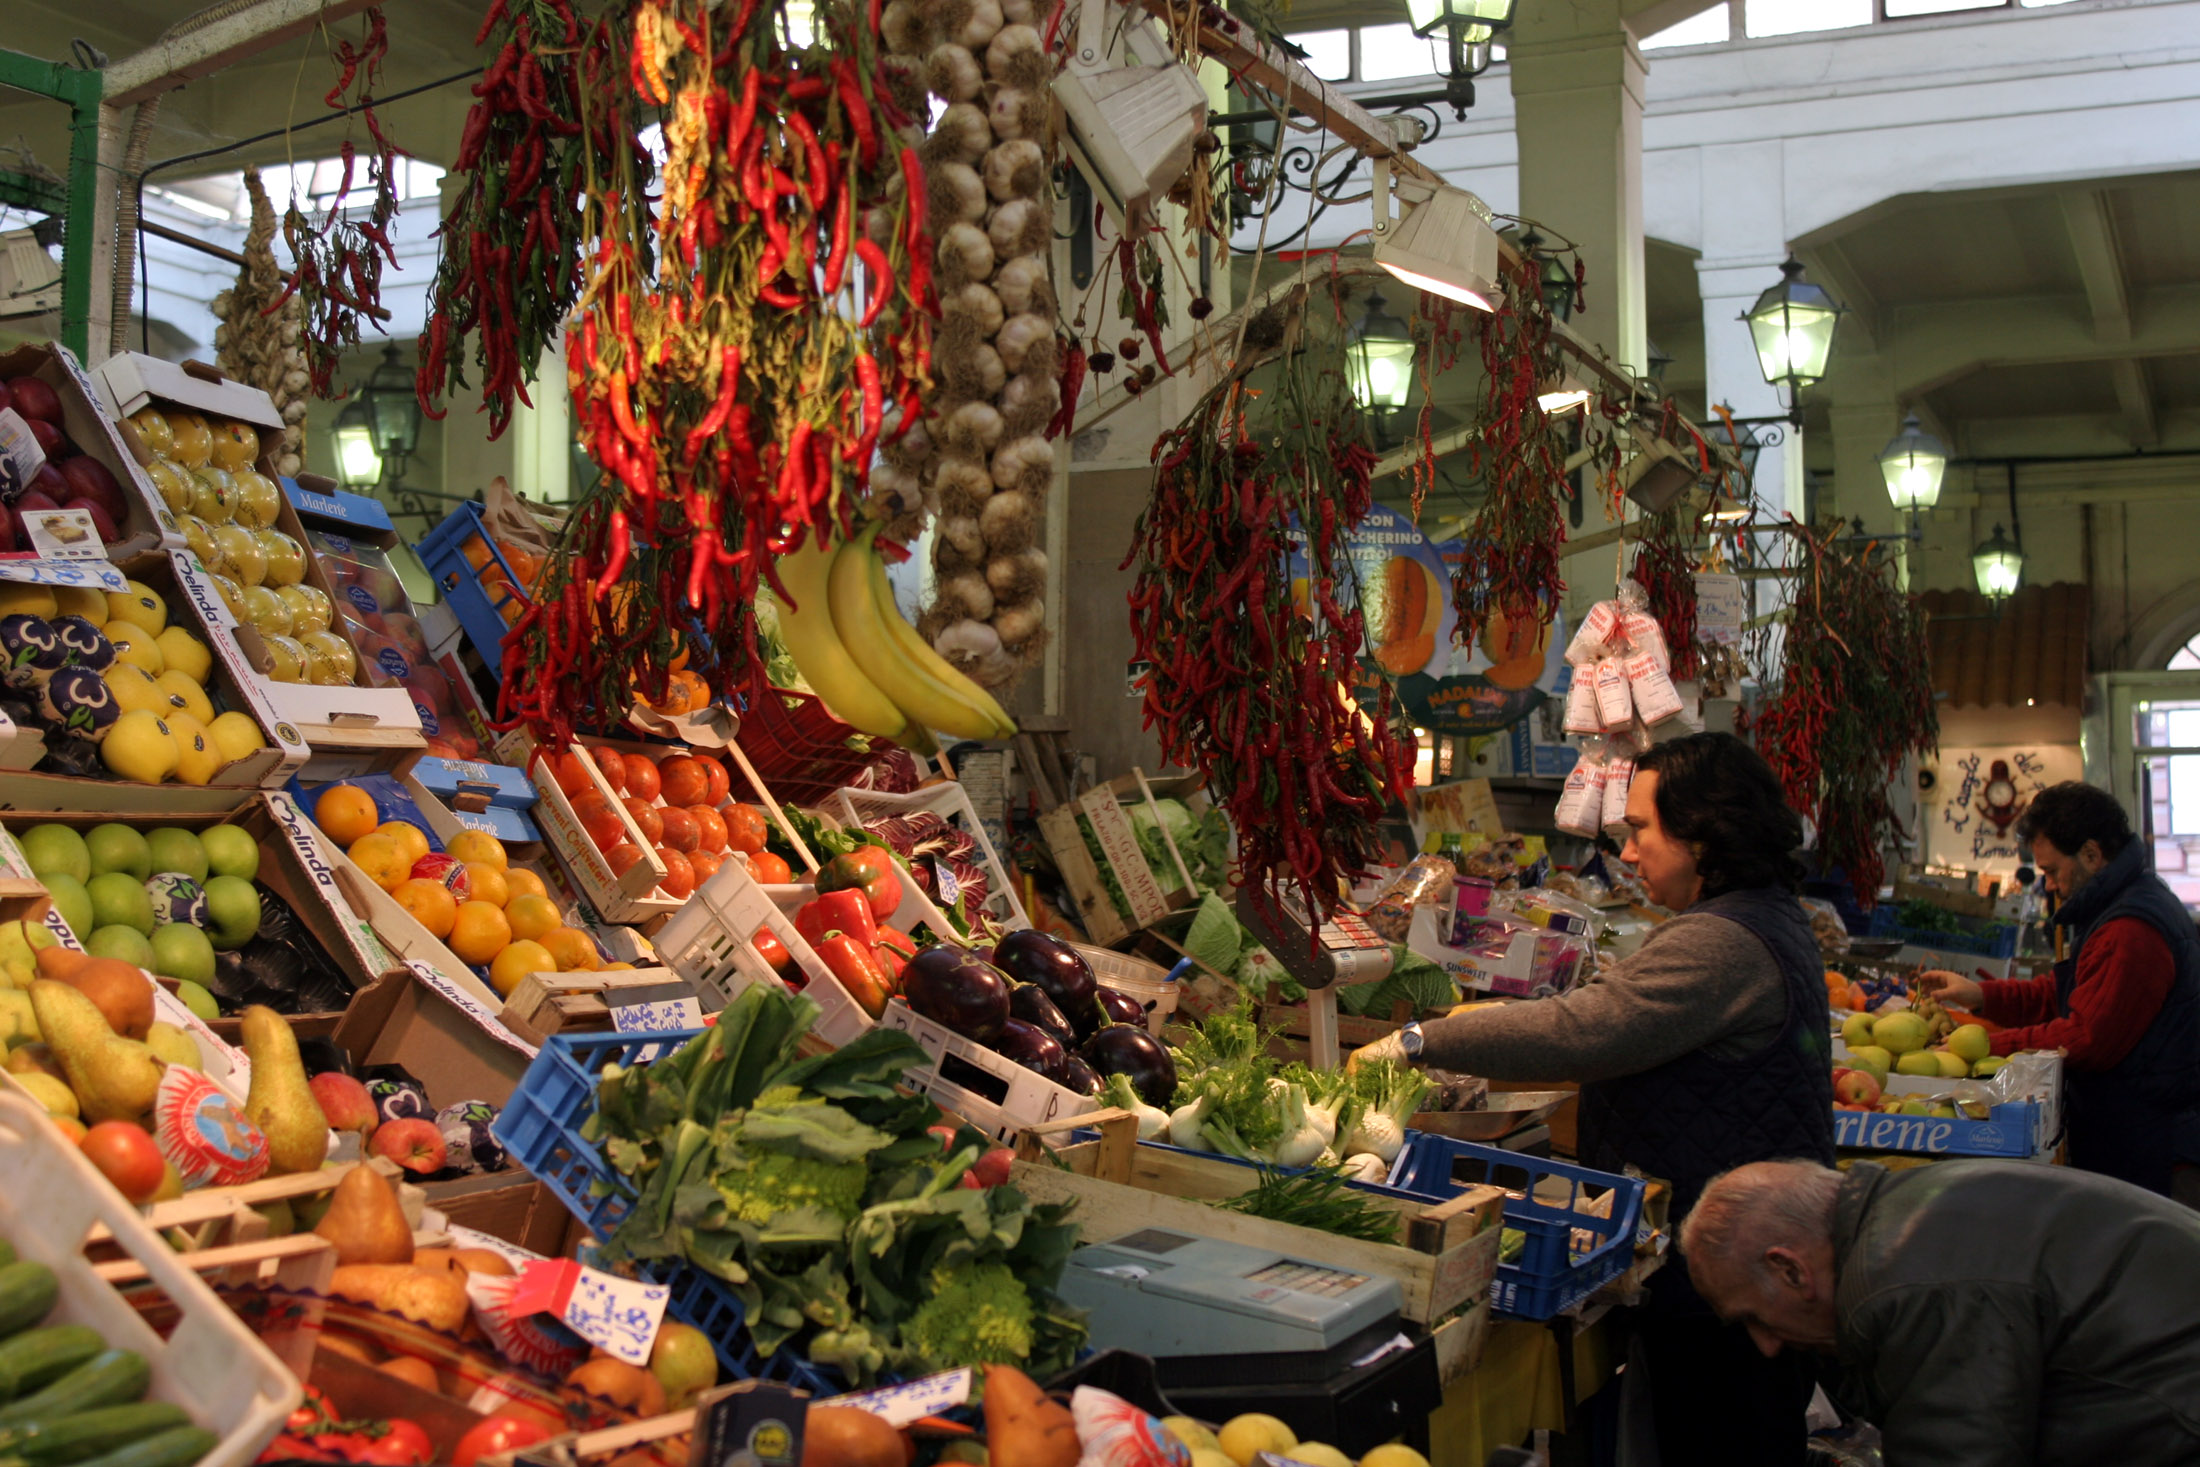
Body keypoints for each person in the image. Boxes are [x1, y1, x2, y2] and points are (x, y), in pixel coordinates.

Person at [1351, 731, 1833, 1464]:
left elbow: (1586, 1029)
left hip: (1734, 1286)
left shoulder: (1725, 941)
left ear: (1703, 829)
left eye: (1640, 828)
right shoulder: (1762, 915)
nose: (1630, 852)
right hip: (1738, 1267)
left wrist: (1423, 1041)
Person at [1682, 1157, 2200, 1465]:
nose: (1766, 1344)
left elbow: (1961, 1453)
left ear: (1790, 1269)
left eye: (1753, 1316)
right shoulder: (1903, 1213)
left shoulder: (1907, 1287)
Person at [1917, 780, 2199, 1194]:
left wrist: (1983, 1047)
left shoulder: (2130, 929)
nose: (2047, 884)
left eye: (2051, 870)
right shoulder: (2120, 905)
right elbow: (2068, 995)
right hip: (2136, 1133)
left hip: (2154, 1150)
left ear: (2091, 854)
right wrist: (1983, 996)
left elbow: (2086, 1037)